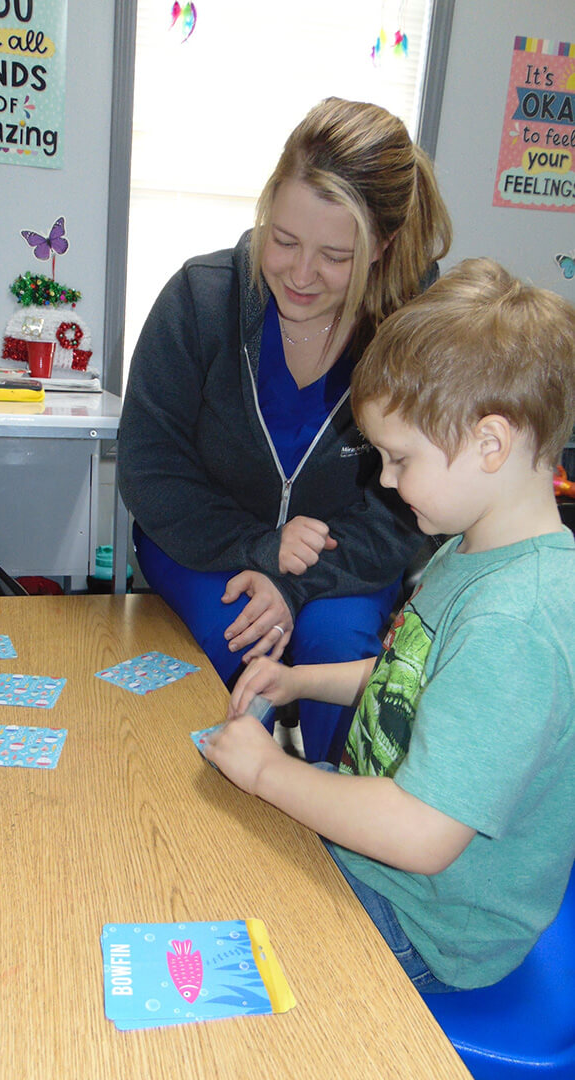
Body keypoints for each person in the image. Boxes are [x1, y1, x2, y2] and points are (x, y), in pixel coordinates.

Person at [206, 258, 575, 992]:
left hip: (424, 925)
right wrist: (299, 677)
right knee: (212, 832)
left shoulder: (517, 618)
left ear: (490, 443)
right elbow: (414, 679)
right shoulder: (472, 550)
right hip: (385, 863)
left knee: (212, 904)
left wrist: (270, 768)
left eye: (399, 458)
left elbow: (422, 832)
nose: (383, 481)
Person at [118, 96, 452, 764]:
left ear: (383, 246)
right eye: (285, 240)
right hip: (204, 544)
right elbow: (150, 469)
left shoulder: (412, 326)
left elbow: (409, 505)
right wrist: (259, 547)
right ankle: (204, 833)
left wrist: (293, 582)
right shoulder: (201, 298)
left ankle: (334, 833)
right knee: (233, 636)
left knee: (340, 644)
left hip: (347, 560)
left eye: (335, 256)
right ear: (266, 209)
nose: (300, 276)